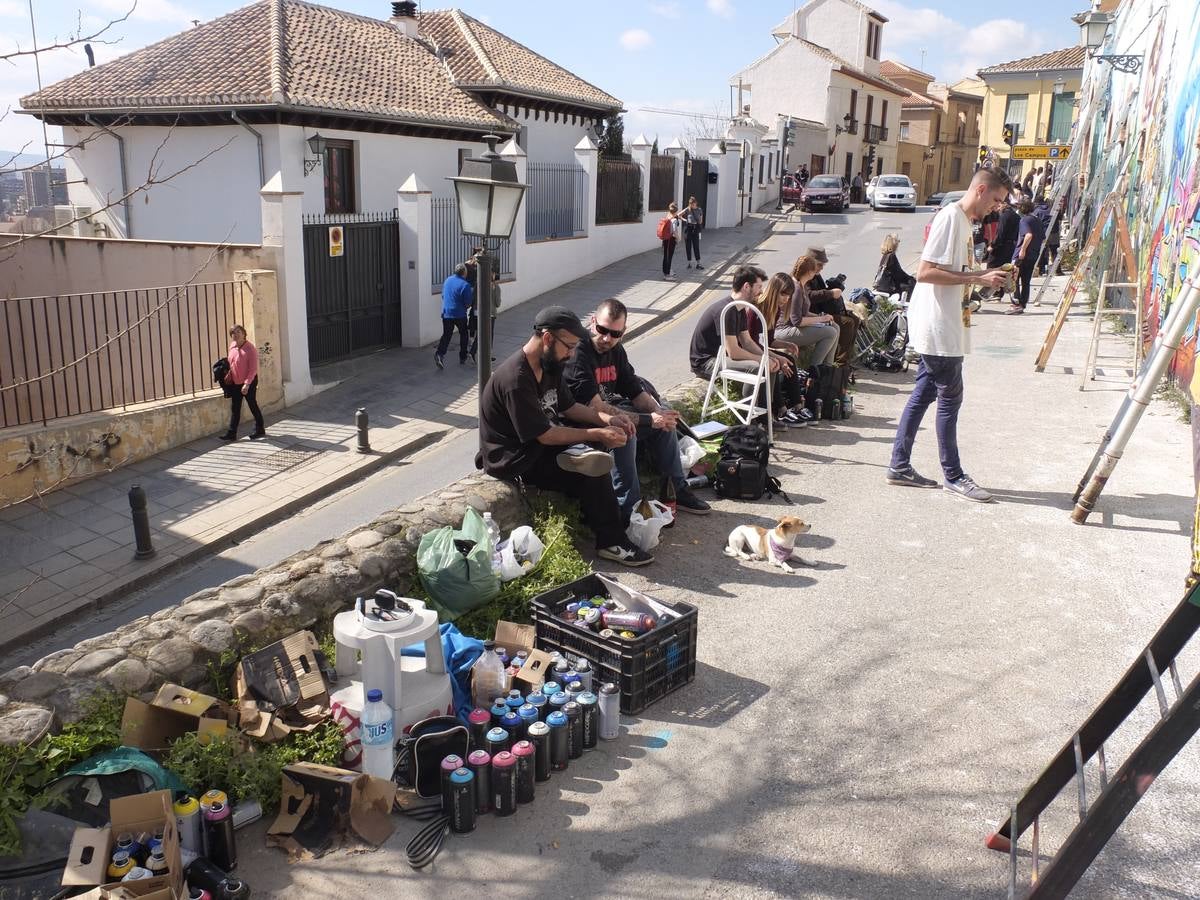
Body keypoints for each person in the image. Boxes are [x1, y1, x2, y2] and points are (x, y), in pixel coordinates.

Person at [477, 306, 653, 566]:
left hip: (538, 445)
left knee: (595, 450)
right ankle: (611, 541)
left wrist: (607, 419)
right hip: (515, 458)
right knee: (593, 467)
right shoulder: (516, 378)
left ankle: (596, 515)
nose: (571, 353)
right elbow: (546, 436)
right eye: (568, 346)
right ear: (548, 339)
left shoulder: (550, 365)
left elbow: (570, 407)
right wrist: (596, 433)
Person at [886, 167, 1012, 502]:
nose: (997, 208)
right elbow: (926, 272)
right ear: (981, 189)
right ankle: (954, 475)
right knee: (950, 398)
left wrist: (984, 275)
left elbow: (954, 271)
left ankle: (899, 465)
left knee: (924, 394)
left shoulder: (964, 222)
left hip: (944, 324)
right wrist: (977, 279)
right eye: (997, 200)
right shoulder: (950, 218)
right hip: (938, 326)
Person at [565, 298, 711, 519]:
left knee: (665, 424)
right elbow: (596, 408)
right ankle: (629, 509)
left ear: (623, 331)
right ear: (593, 321)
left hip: (610, 416)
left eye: (615, 334)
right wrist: (648, 420)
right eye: (602, 330)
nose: (607, 338)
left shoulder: (617, 351)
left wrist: (658, 412)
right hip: (586, 424)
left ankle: (676, 488)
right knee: (626, 432)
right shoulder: (579, 353)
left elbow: (635, 390)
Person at [690, 264, 784, 390]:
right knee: (757, 367)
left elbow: (747, 342)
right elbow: (733, 352)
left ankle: (772, 407)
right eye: (759, 287)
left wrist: (767, 357)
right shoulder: (727, 310)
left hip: (720, 358)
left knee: (768, 364)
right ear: (746, 286)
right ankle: (751, 408)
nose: (761, 291)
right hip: (706, 362)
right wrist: (761, 360)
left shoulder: (739, 308)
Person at [773, 255, 839, 369]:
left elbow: (803, 312)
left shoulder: (801, 285)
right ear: (809, 272)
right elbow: (797, 321)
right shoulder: (797, 289)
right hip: (783, 330)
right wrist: (821, 319)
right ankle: (815, 371)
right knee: (830, 332)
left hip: (791, 327)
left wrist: (822, 317)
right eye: (814, 271)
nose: (816, 273)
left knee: (835, 326)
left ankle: (828, 368)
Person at [220, 324, 265, 441]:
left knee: (252, 405)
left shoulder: (250, 349)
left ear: (244, 333)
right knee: (235, 408)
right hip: (235, 382)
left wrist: (247, 384)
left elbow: (253, 369)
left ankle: (260, 429)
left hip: (249, 382)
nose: (236, 334)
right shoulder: (232, 346)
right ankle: (231, 433)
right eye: (233, 333)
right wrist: (229, 374)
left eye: (238, 332)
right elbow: (232, 362)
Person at [1008, 198, 1045, 314]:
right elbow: (1043, 239)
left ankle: (1017, 303)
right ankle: (1023, 303)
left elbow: (1028, 235)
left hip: (1022, 255)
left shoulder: (1024, 220)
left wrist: (1022, 250)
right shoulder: (1037, 220)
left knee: (1014, 278)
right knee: (1026, 280)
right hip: (1033, 254)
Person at [436, 263, 472, 369]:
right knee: (464, 334)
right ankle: (463, 357)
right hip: (460, 314)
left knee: (447, 335)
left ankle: (439, 354)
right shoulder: (465, 285)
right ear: (464, 273)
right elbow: (468, 303)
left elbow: (443, 296)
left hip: (447, 313)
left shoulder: (447, 280)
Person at [986, 199, 1020, 301]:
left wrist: (992, 245)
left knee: (992, 267)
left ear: (1003, 204)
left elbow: (1000, 233)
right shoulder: (1015, 215)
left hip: (1002, 246)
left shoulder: (1005, 215)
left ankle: (996, 292)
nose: (997, 208)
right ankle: (1000, 292)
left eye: (998, 205)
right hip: (1011, 245)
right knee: (1005, 268)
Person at [469, 267, 501, 362]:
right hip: (490, 314)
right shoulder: (495, 287)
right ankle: (486, 355)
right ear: (493, 275)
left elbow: (474, 298)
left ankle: (473, 352)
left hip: (478, 312)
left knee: (481, 333)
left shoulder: (478, 284)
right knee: (489, 335)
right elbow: (497, 303)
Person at [876, 234, 916, 302]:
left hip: (882, 285)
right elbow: (899, 273)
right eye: (897, 241)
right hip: (889, 286)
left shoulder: (885, 256)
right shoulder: (891, 256)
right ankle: (905, 306)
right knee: (911, 285)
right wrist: (911, 279)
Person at [660, 202, 682, 279]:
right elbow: (674, 231)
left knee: (666, 256)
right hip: (671, 240)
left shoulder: (668, 216)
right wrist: (678, 238)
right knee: (669, 256)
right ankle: (667, 275)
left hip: (665, 239)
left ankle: (666, 271)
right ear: (675, 211)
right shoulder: (674, 220)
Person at [681, 196, 704, 270]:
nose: (692, 205)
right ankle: (689, 263)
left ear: (696, 203)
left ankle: (698, 263)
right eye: (691, 204)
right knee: (688, 246)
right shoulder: (687, 209)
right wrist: (685, 220)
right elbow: (678, 215)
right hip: (688, 229)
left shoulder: (699, 210)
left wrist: (699, 220)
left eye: (693, 204)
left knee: (696, 246)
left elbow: (700, 221)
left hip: (696, 229)